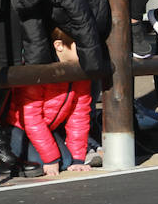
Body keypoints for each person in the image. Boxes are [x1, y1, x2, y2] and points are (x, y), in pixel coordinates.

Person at [5, 28, 95, 178]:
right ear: (59, 46)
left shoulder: (81, 70)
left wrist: (78, 158)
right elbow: (31, 116)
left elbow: (79, 116)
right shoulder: (40, 67)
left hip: (46, 128)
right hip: (17, 127)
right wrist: (50, 158)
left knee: (67, 161)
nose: (88, 51)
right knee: (45, 163)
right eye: (81, 46)